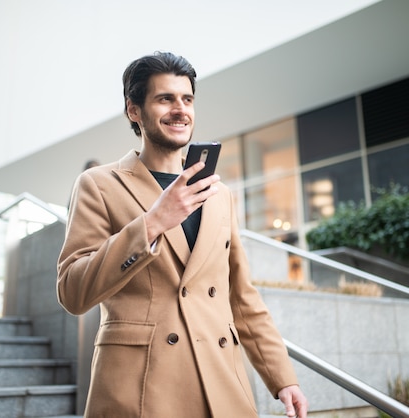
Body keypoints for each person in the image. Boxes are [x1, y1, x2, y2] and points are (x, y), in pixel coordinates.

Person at [57, 51, 308, 418]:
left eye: (186, 99)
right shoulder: (99, 185)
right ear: (134, 110)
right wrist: (153, 222)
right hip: (141, 392)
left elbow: (241, 296)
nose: (180, 109)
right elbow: (73, 292)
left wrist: (283, 378)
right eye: (165, 99)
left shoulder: (218, 193)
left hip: (223, 387)